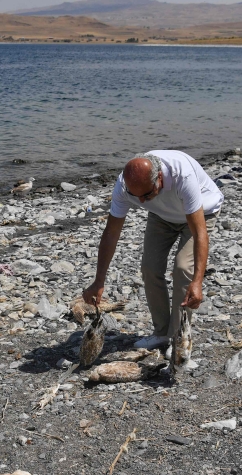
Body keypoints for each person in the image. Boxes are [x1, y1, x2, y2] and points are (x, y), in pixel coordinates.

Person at [82, 150, 223, 350]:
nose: (141, 202)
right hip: (162, 216)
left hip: (201, 212)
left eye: (147, 194)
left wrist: (197, 281)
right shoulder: (124, 186)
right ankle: (161, 333)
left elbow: (200, 233)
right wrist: (99, 280)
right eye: (135, 196)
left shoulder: (182, 175)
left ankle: (178, 340)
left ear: (159, 177)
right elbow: (111, 233)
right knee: (149, 268)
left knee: (183, 268)